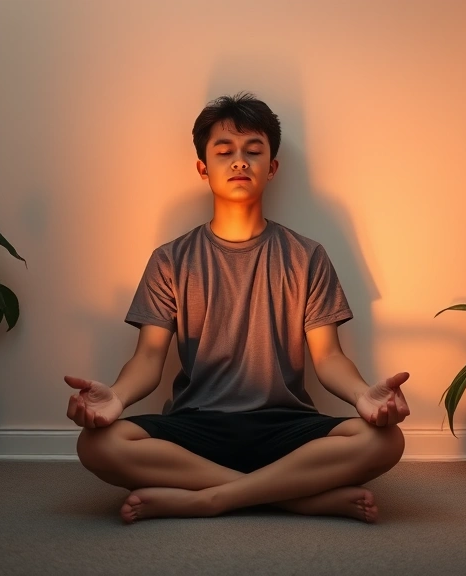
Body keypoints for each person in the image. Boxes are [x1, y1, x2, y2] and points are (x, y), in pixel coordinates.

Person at [65, 92, 410, 524]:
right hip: (197, 423)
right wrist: (115, 397)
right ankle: (293, 497)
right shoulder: (170, 259)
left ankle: (208, 499)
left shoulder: (307, 256)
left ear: (272, 167)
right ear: (203, 168)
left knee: (386, 440)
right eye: (224, 151)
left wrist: (365, 396)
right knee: (95, 445)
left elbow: (329, 357)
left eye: (254, 151)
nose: (240, 161)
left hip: (284, 424)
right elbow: (149, 357)